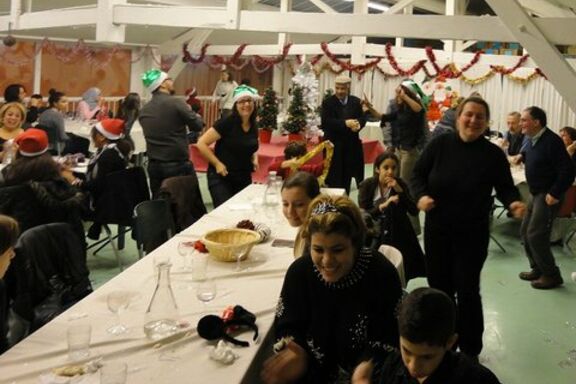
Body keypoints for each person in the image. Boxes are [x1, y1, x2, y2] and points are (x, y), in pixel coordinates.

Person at [411, 96, 525, 361]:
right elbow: (417, 175)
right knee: (439, 288)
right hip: (438, 231)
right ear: (458, 116)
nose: (473, 120)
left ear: (486, 123)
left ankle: (470, 350)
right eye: (469, 114)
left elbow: (506, 187)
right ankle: (442, 344)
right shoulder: (439, 144)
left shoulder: (492, 154)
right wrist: (421, 196)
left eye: (480, 117)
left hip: (472, 234)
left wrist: (514, 202)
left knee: (468, 290)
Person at [261, 195, 403, 383]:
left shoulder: (381, 273)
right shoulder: (300, 273)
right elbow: (288, 324)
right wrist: (297, 351)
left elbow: (390, 335)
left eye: (337, 250)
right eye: (318, 250)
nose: (327, 261)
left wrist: (367, 365)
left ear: (355, 244)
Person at [352, 288, 501, 384]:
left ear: (450, 342)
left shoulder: (476, 380)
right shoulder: (392, 368)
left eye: (427, 357)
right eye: (407, 351)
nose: (413, 366)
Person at [518, 106, 574, 289]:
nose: (521, 124)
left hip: (547, 195)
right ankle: (538, 269)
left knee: (536, 235)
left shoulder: (552, 141)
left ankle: (552, 275)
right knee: (525, 233)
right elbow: (531, 158)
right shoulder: (531, 139)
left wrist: (555, 193)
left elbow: (568, 170)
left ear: (536, 122)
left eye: (524, 120)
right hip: (535, 193)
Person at [364, 80, 427, 234]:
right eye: (397, 92)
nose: (397, 95)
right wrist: (369, 107)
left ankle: (414, 228)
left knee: (405, 188)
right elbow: (382, 116)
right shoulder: (399, 110)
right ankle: (396, 221)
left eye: (400, 92)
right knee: (395, 186)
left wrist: (404, 96)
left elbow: (419, 109)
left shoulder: (415, 108)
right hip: (399, 150)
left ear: (407, 92)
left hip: (410, 152)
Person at [358, 152, 425, 282]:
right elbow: (363, 214)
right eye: (386, 167)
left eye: (393, 168)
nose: (390, 172)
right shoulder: (368, 185)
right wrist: (383, 206)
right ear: (377, 169)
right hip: (373, 230)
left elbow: (413, 211)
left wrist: (400, 191)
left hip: (397, 230)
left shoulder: (400, 184)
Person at [139, 69, 204, 197]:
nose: (172, 81)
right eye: (169, 79)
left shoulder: (144, 110)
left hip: (154, 166)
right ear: (162, 84)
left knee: (160, 206)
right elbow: (197, 126)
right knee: (184, 205)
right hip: (177, 165)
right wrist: (192, 112)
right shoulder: (176, 103)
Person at [197, 85, 259, 207]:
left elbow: (251, 143)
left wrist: (255, 157)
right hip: (221, 177)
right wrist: (217, 164)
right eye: (242, 101)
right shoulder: (227, 122)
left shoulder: (253, 124)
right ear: (236, 105)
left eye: (249, 100)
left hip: (243, 175)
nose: (246, 104)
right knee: (225, 212)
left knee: (243, 213)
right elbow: (201, 143)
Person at [321, 75, 366, 194]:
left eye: (343, 89)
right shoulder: (328, 103)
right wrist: (345, 123)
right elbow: (326, 122)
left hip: (350, 149)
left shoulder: (356, 102)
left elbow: (362, 118)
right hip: (334, 148)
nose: (340, 91)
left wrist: (358, 125)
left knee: (347, 180)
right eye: (337, 88)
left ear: (348, 88)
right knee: (333, 181)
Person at [280, 171, 321, 258]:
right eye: (285, 204)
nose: (290, 212)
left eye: (299, 205)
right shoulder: (307, 226)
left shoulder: (318, 237)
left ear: (316, 201)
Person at [268, 140, 333, 182]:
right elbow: (271, 169)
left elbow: (319, 168)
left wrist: (329, 154)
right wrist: (286, 164)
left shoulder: (303, 168)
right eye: (303, 156)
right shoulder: (284, 169)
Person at [37, 89, 69, 155]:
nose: (66, 104)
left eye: (67, 101)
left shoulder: (45, 112)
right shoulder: (57, 115)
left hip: (44, 143)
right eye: (63, 102)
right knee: (82, 141)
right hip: (57, 146)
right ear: (55, 103)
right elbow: (62, 136)